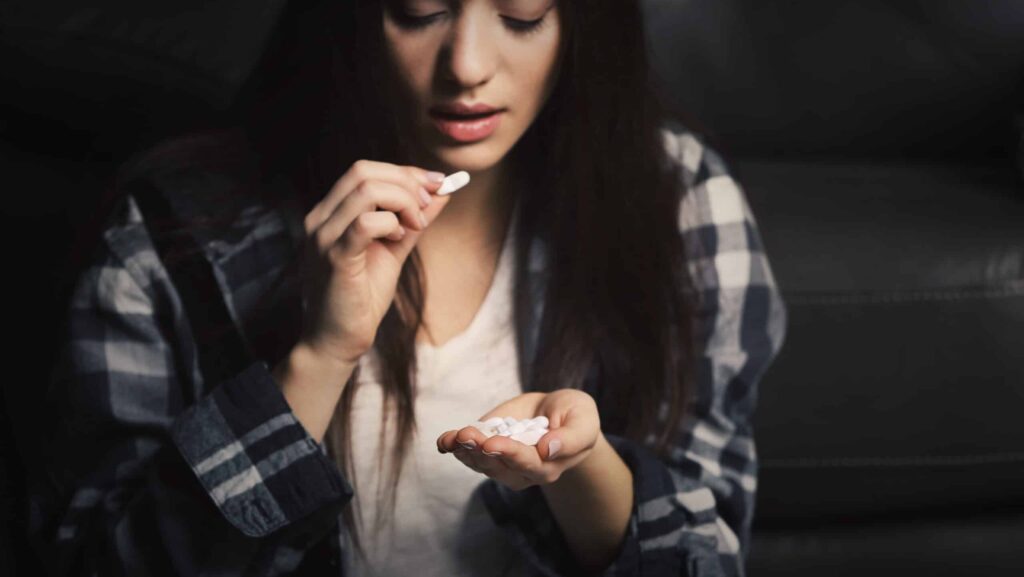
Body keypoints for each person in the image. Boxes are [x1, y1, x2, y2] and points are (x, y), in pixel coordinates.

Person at [29, 0, 787, 576]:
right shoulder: (176, 233)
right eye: (419, 11)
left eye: (521, 15)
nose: (465, 64)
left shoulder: (677, 199)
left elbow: (708, 553)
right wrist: (320, 357)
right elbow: (93, 558)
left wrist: (577, 461)